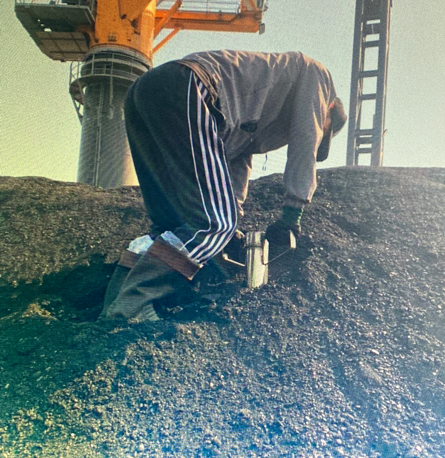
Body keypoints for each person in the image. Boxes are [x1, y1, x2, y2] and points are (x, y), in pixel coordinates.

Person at [103, 50, 346, 322]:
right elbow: (306, 145)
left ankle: (113, 306)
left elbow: (237, 157)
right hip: (190, 87)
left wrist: (234, 215)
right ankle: (132, 306)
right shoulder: (317, 77)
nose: (317, 133)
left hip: (144, 92)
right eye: (324, 129)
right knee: (212, 224)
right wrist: (292, 216)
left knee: (170, 225)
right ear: (329, 108)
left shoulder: (259, 104)